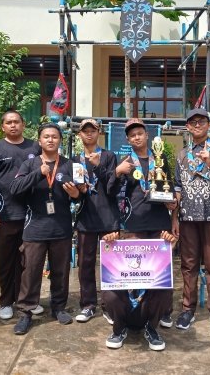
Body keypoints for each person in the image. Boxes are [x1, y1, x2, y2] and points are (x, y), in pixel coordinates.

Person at [102, 118, 177, 351]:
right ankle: (127, 317)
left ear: (147, 136)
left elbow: (170, 188)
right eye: (132, 135)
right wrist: (117, 172)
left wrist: (173, 205)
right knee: (131, 272)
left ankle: (155, 319)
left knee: (159, 274)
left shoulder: (160, 159)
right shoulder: (126, 162)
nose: (136, 137)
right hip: (133, 224)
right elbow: (109, 191)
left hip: (159, 223)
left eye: (140, 133)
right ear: (128, 139)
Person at [10, 122, 83, 335]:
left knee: (60, 271)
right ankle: (26, 312)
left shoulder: (69, 164)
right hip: (35, 228)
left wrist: (76, 195)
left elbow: (81, 194)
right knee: (31, 272)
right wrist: (38, 174)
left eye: (54, 136)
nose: (50, 139)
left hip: (61, 228)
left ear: (60, 140)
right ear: (39, 141)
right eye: (46, 136)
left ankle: (58, 307)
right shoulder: (30, 164)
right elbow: (15, 189)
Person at [171, 108, 210, 334]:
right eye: (193, 122)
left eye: (202, 121)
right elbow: (178, 187)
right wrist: (174, 217)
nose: (197, 125)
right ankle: (188, 309)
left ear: (209, 124)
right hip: (187, 217)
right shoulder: (181, 154)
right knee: (188, 265)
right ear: (187, 126)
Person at [0, 110, 43, 320]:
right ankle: (6, 301)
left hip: (31, 215)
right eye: (9, 122)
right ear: (3, 127)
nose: (13, 125)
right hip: (4, 215)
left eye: (17, 122)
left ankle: (27, 300)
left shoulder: (34, 147)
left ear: (23, 124)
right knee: (6, 261)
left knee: (29, 262)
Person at [71, 118, 120, 323]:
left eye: (93, 130)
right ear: (80, 135)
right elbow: (74, 194)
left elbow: (113, 187)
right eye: (85, 131)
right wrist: (79, 191)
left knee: (111, 265)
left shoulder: (109, 156)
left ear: (99, 132)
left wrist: (98, 166)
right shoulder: (75, 159)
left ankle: (110, 306)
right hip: (85, 217)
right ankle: (88, 305)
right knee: (85, 264)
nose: (89, 134)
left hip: (108, 218)